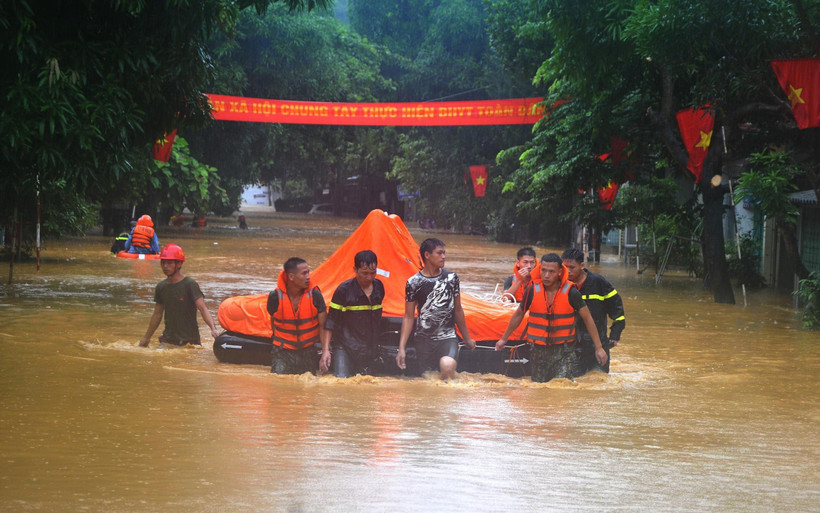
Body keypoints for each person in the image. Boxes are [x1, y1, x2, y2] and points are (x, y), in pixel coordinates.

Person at [495, 253, 607, 382]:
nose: (547, 275)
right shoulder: (531, 291)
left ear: (560, 272)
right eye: (544, 270)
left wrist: (599, 348)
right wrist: (504, 339)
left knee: (562, 387)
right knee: (540, 390)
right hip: (538, 352)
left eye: (551, 272)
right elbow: (519, 314)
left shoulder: (571, 292)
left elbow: (588, 319)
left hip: (564, 352)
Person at [396, 238, 476, 380]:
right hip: (423, 340)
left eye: (444, 253)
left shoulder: (452, 278)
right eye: (439, 253)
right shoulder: (413, 282)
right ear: (427, 255)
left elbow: (458, 309)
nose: (443, 257)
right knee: (427, 379)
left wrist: (467, 338)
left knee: (447, 366)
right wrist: (401, 348)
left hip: (447, 338)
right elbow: (408, 316)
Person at [138, 244, 219, 347]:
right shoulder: (161, 287)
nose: (165, 266)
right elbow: (157, 315)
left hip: (189, 342)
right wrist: (146, 338)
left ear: (179, 264)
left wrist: (213, 328)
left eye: (169, 263)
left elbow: (203, 309)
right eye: (163, 263)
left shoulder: (190, 284)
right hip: (167, 340)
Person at [562, 248, 625, 374]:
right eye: (565, 267)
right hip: (571, 346)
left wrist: (614, 336)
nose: (568, 271)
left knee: (599, 381)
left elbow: (617, 310)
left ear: (582, 266)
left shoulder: (598, 283)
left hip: (598, 344)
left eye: (572, 267)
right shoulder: (560, 285)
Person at [322, 250, 385, 377]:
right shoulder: (343, 291)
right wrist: (325, 351)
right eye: (364, 273)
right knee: (342, 382)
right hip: (345, 347)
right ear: (355, 270)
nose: (369, 277)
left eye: (373, 273)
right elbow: (331, 321)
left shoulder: (379, 287)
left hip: (369, 347)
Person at [267, 257, 330, 375]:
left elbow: (323, 326)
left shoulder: (315, 295)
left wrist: (325, 352)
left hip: (308, 351)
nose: (308, 277)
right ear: (291, 277)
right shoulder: (274, 297)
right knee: (278, 384)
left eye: (308, 272)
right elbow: (273, 323)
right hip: (282, 352)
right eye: (304, 273)